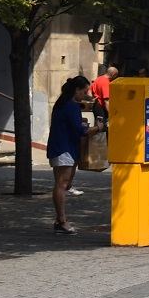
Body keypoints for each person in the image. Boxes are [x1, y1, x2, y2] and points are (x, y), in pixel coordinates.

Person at [46, 76, 102, 234]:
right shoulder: (70, 106)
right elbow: (81, 131)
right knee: (62, 184)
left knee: (64, 183)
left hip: (61, 146)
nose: (85, 94)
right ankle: (61, 221)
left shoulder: (63, 103)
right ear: (76, 90)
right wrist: (98, 128)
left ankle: (60, 219)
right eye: (84, 91)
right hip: (64, 148)